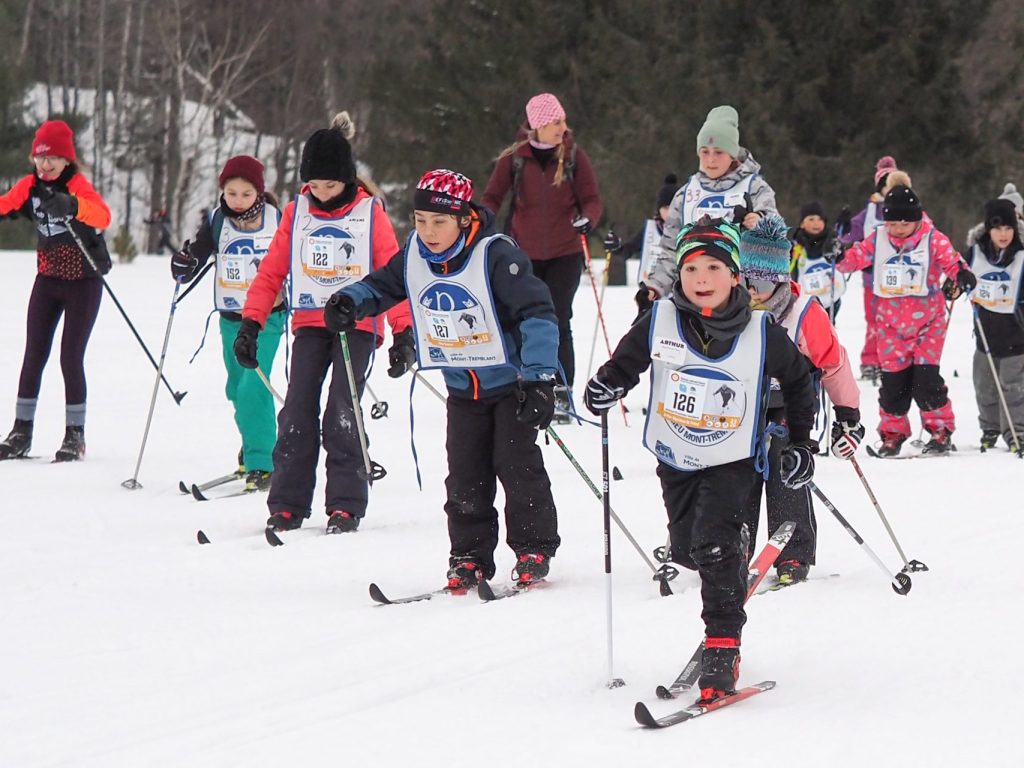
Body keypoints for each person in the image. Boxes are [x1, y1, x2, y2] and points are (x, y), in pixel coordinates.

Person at [583, 217, 817, 703]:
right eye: (690, 268)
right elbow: (625, 363)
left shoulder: (760, 330)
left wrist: (800, 443)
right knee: (689, 549)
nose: (701, 278)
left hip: (732, 458)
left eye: (713, 266)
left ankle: (723, 643)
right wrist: (607, 386)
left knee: (714, 544)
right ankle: (724, 557)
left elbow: (799, 381)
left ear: (735, 275)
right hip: (676, 455)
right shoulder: (661, 319)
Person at [324, 169, 561, 590]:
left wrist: (540, 378)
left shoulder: (495, 254)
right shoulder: (415, 253)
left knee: (517, 466)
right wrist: (350, 301)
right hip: (461, 387)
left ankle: (533, 548)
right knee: (465, 474)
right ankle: (468, 555)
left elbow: (537, 313)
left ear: (464, 218)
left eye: (439, 221)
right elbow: (382, 286)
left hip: (510, 384)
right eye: (419, 220)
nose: (428, 231)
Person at [234, 114, 412, 534]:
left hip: (358, 324)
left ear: (348, 180)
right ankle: (288, 504)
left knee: (341, 409)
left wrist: (403, 332)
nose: (323, 193)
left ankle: (345, 503)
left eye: (331, 185)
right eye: (315, 185)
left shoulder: (370, 214)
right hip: (311, 323)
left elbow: (394, 273)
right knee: (296, 409)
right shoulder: (296, 214)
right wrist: (251, 325)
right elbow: (270, 274)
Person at [739, 215, 863, 584]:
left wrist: (848, 414)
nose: (750, 291)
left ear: (778, 278)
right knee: (734, 474)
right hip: (741, 407)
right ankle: (734, 544)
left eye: (759, 282)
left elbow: (834, 364)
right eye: (743, 280)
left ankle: (792, 552)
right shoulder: (730, 311)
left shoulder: (804, 313)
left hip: (792, 407)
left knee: (786, 466)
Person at [482, 92, 603, 419]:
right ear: (538, 126)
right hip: (524, 255)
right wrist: (479, 224)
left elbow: (592, 200)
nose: (563, 127)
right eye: (555, 122)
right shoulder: (516, 157)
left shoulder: (575, 155)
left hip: (565, 252)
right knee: (524, 319)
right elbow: (493, 196)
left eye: (562, 120)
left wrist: (587, 219)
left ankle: (562, 391)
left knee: (559, 318)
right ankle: (526, 382)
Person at [0, 119, 112, 462]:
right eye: (39, 158)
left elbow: (102, 216)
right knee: (33, 354)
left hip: (83, 283)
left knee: (69, 356)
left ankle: (74, 436)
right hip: (47, 280)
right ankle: (21, 431)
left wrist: (73, 206)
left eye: (53, 159)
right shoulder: (30, 186)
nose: (45, 165)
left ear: (67, 160)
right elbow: (5, 205)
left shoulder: (78, 186)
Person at [835, 185, 975, 456]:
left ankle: (940, 428)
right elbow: (854, 258)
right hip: (889, 327)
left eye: (906, 221)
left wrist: (961, 273)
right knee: (893, 384)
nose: (899, 228)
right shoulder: (878, 239)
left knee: (925, 381)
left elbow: (951, 260)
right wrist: (838, 254)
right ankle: (893, 432)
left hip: (928, 323)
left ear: (917, 218)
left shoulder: (932, 238)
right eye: (893, 221)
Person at [171, 155, 284, 490]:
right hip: (230, 319)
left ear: (259, 194)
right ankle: (251, 450)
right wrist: (183, 263)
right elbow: (197, 254)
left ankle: (264, 461)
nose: (237, 201)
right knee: (236, 389)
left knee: (253, 385)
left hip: (267, 319)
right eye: (231, 193)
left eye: (245, 194)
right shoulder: (219, 221)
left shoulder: (276, 220)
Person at [644, 105, 779, 308]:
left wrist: (760, 221)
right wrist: (654, 287)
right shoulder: (685, 194)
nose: (711, 159)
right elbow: (671, 250)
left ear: (733, 154)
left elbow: (776, 234)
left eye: (719, 152)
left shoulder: (754, 187)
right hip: (695, 297)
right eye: (704, 152)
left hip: (744, 298)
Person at [838, 157, 911, 382]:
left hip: (904, 277)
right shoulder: (871, 211)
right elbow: (849, 235)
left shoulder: (906, 209)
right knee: (875, 321)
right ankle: (871, 360)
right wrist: (844, 226)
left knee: (900, 321)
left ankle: (895, 359)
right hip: (874, 278)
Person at [965, 198, 1024, 453]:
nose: (1003, 234)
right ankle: (989, 428)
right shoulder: (976, 253)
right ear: (988, 229)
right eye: (998, 228)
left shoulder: (1020, 255)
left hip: (1016, 336)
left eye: (1009, 228)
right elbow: (959, 274)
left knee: (1013, 389)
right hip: (985, 336)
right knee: (984, 386)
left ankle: (1016, 432)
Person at [789, 201, 845, 320]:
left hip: (830, 298)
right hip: (805, 300)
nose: (816, 223)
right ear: (802, 224)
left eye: (820, 219)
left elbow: (842, 259)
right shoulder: (796, 245)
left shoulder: (831, 241)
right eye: (811, 219)